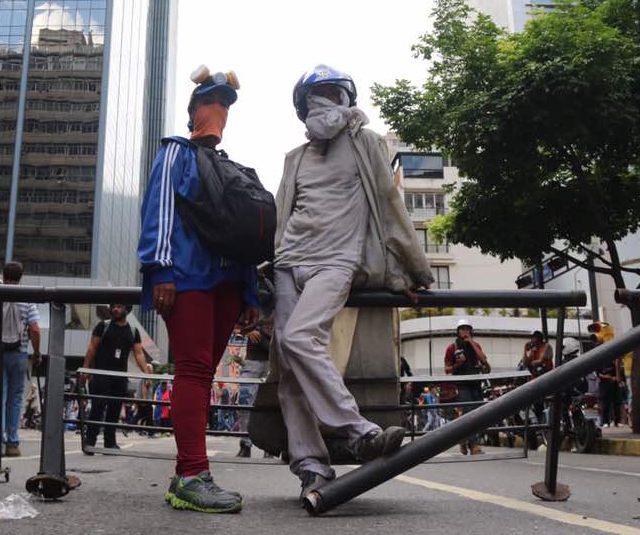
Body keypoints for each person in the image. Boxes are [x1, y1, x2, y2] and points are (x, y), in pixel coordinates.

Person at [272, 65, 432, 500]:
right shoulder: (295, 158)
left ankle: (359, 431)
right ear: (302, 106)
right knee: (289, 366)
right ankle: (310, 465)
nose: (322, 102)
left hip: (335, 263)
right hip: (288, 263)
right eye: (313, 96)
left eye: (330, 93)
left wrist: (412, 271)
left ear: (346, 98)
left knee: (301, 337)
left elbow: (389, 206)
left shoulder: (366, 142)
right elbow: (282, 217)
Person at [139, 66, 260, 514]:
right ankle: (192, 474)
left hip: (228, 282)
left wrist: (250, 291)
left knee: (203, 374)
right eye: (212, 101)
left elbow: (240, 235)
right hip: (186, 276)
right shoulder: (176, 152)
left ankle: (186, 472)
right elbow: (160, 209)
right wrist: (160, 269)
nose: (219, 109)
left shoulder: (229, 165)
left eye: (225, 104)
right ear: (194, 110)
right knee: (192, 371)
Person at [0, 261, 41, 458]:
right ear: (21, 277)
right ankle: (12, 443)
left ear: (3, 275)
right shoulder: (27, 299)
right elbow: (35, 329)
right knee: (15, 399)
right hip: (19, 354)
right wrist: (36, 353)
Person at [80, 303, 153, 453]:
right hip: (101, 375)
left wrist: (146, 373)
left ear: (127, 310)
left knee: (114, 410)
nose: (115, 309)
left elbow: (139, 353)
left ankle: (110, 442)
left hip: (120, 377)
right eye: (114, 307)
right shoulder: (103, 326)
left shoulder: (133, 331)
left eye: (120, 307)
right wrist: (86, 369)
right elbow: (92, 347)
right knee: (97, 408)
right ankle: (90, 442)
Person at [444, 319, 489, 455]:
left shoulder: (476, 345)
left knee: (479, 413)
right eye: (462, 329)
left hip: (476, 383)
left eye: (467, 328)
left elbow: (484, 360)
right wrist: (458, 364)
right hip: (461, 385)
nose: (465, 331)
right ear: (457, 332)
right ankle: (474, 445)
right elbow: (447, 370)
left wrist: (471, 343)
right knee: (469, 413)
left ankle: (463, 438)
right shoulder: (452, 348)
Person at [235, 315, 272, 457]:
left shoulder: (281, 299)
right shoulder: (253, 301)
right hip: (253, 361)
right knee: (244, 403)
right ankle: (245, 444)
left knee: (270, 406)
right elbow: (236, 320)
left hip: (271, 361)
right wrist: (247, 330)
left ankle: (269, 447)